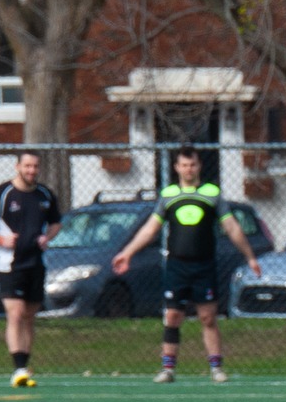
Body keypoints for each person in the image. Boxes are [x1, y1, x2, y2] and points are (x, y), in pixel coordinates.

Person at [110, 146, 262, 384]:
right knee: (172, 316)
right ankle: (168, 369)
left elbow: (231, 227)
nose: (188, 169)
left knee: (208, 317)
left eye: (192, 165)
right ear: (177, 168)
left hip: (204, 265)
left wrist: (250, 257)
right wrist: (127, 253)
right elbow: (151, 228)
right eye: (184, 165)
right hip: (177, 266)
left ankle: (216, 368)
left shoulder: (212, 194)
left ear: (198, 167)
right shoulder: (169, 195)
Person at [0, 150, 61, 388]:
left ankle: (25, 368)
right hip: (9, 264)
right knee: (16, 313)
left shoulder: (44, 195)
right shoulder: (3, 194)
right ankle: (18, 367)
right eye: (27, 166)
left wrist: (47, 237)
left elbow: (56, 222)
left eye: (35, 167)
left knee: (29, 316)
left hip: (36, 263)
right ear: (18, 166)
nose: (31, 171)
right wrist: (0, 240)